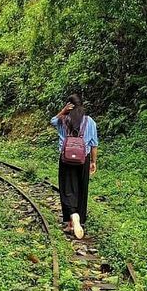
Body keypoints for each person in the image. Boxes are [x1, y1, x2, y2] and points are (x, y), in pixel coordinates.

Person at [50, 94, 98, 239]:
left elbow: (52, 121)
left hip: (66, 159)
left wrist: (63, 111)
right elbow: (94, 144)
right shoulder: (90, 121)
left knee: (67, 188)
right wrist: (93, 162)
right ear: (81, 106)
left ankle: (71, 219)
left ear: (68, 105)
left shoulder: (64, 119)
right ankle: (80, 220)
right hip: (84, 158)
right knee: (82, 188)